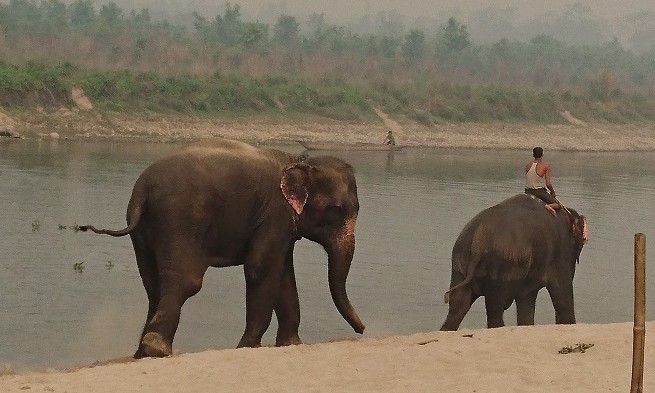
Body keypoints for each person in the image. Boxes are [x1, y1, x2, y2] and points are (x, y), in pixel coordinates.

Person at [525, 146, 559, 216]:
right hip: (539, 192)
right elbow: (548, 184)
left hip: (528, 191)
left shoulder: (528, 165)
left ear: (533, 155)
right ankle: (548, 206)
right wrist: (553, 192)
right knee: (558, 205)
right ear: (542, 155)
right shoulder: (545, 166)